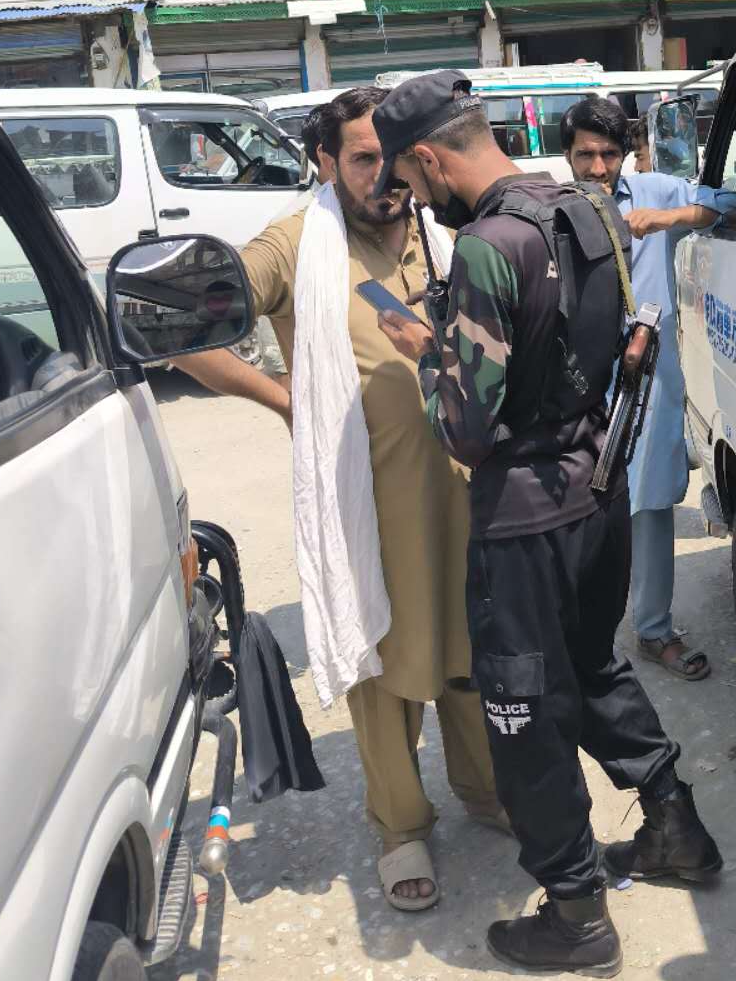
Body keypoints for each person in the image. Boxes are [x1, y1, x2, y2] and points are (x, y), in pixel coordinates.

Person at [374, 71, 721, 980]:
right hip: (596, 491)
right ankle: (673, 822)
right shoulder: (590, 209)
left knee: (522, 709)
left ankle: (575, 915)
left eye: (412, 186)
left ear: (428, 157)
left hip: (523, 519)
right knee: (595, 666)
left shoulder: (489, 247)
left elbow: (466, 424)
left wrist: (428, 355)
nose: (415, 203)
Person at [177, 86, 501, 914]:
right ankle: (401, 828)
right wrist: (282, 397)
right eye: (362, 158)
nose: (385, 174)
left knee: (472, 650)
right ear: (323, 162)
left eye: (392, 155)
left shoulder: (437, 222)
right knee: (381, 661)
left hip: (462, 492)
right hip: (368, 508)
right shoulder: (296, 245)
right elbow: (184, 327)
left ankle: (488, 792)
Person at [560, 94, 730, 679]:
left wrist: (670, 220)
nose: (599, 169)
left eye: (610, 154)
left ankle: (653, 630)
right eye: (586, 155)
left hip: (649, 385)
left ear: (630, 154)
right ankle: (583, 640)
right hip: (578, 386)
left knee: (651, 505)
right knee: (579, 513)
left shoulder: (656, 192)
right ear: (568, 156)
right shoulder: (550, 211)